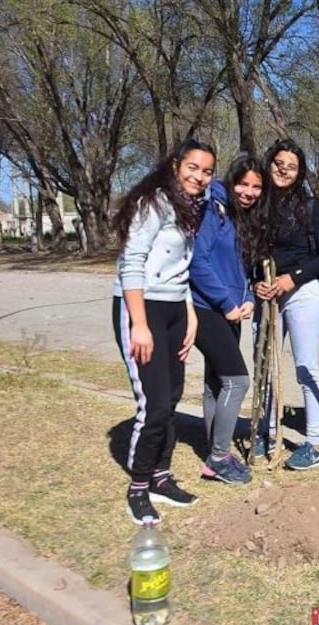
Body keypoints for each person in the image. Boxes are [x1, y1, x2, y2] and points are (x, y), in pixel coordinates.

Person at [112, 139, 216, 524]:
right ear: (175, 166)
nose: (199, 177)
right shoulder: (152, 202)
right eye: (193, 168)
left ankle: (160, 476)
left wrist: (188, 314)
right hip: (143, 307)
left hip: (174, 307)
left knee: (171, 397)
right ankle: (138, 487)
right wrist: (139, 324)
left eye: (206, 172)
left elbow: (181, 268)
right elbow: (132, 262)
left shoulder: (190, 208)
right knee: (153, 403)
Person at [249, 139, 319, 471]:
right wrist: (255, 279)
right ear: (269, 164)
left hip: (300, 292)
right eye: (278, 163)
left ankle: (314, 442)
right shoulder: (256, 202)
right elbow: (249, 250)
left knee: (305, 367)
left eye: (292, 166)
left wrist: (292, 279)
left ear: (300, 173)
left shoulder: (310, 206)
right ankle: (268, 433)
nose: (283, 169)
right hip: (266, 293)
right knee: (266, 366)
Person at [190, 153, 262, 485]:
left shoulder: (241, 217)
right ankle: (219, 457)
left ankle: (214, 448)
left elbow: (244, 270)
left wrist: (247, 299)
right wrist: (226, 303)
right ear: (230, 182)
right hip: (207, 309)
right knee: (238, 381)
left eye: (256, 186)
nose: (248, 191)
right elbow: (197, 262)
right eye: (243, 184)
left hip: (232, 310)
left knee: (215, 383)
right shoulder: (211, 210)